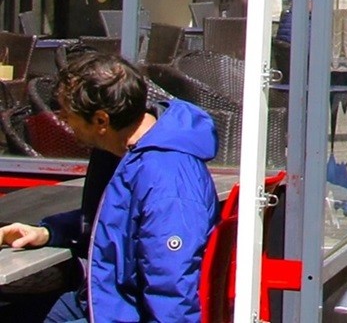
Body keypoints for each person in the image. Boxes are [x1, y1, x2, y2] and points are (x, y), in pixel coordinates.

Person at [1, 53, 218, 323]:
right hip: (102, 298)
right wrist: (48, 232)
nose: (64, 124)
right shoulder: (127, 153)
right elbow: (114, 222)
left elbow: (171, 287)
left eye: (68, 117)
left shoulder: (166, 178)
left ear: (101, 121)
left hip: (124, 311)